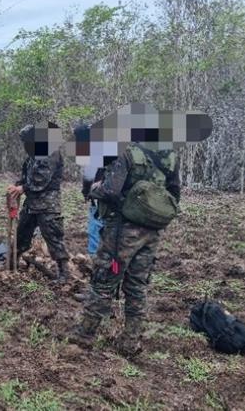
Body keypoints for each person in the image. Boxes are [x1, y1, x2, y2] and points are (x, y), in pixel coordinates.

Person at [71, 142, 180, 356]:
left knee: (105, 278)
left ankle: (84, 335)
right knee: (137, 286)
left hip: (122, 233)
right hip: (152, 232)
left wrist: (95, 190)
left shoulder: (127, 154)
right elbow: (174, 194)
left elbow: (111, 190)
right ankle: (131, 341)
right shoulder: (170, 157)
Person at [7, 124, 70, 283]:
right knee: (22, 233)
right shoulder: (33, 155)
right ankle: (11, 264)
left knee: (53, 237)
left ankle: (64, 274)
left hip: (48, 204)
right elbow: (28, 176)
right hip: (32, 203)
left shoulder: (50, 153)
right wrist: (18, 185)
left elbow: (41, 179)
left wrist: (23, 188)